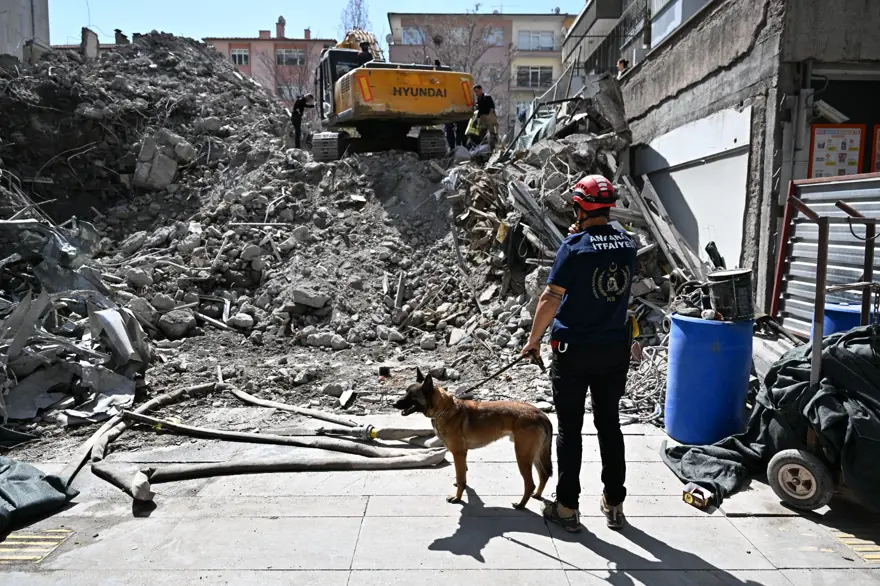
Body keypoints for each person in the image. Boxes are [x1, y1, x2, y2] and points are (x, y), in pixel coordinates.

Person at [520, 174, 636, 533]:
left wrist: (533, 340)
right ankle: (614, 504)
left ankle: (568, 508)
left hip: (574, 352)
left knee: (570, 430)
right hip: (613, 350)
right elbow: (606, 257)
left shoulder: (574, 247)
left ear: (578, 207)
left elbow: (551, 297)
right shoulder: (628, 244)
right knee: (609, 425)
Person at [473, 84, 498, 150]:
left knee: (493, 134)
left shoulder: (487, 97)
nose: (476, 93)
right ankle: (484, 148)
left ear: (481, 90)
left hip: (489, 116)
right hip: (482, 117)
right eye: (475, 92)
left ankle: (494, 148)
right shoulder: (478, 98)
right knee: (482, 133)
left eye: (477, 91)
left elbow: (492, 107)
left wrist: (490, 116)